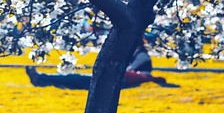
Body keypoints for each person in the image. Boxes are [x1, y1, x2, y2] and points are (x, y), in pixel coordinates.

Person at [26, 39, 169, 89]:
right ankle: (42, 79)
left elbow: (131, 72)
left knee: (74, 78)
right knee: (74, 78)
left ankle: (41, 79)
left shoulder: (141, 56)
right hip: (114, 79)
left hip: (115, 81)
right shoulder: (135, 55)